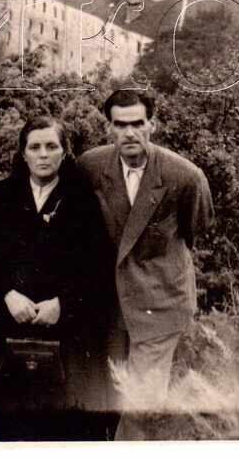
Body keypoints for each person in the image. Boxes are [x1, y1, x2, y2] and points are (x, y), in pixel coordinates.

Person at [77, 88, 214, 440]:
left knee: (141, 407)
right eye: (120, 125)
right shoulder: (91, 167)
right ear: (109, 127)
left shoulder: (185, 177)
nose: (129, 133)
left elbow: (195, 230)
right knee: (107, 401)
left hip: (160, 304)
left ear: (152, 124)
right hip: (109, 307)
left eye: (138, 123)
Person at [0, 116, 115, 441]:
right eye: (34, 147)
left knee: (70, 431)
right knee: (16, 431)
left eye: (51, 146)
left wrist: (63, 304)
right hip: (15, 328)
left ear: (65, 152)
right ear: (23, 153)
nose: (43, 154)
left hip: (71, 337)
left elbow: (99, 266)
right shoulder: (4, 195)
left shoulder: (82, 199)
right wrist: (7, 294)